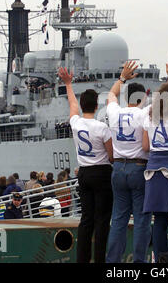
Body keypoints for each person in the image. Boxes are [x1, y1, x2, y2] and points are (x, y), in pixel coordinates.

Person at [58, 67, 114, 263]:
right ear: (97, 105)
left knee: (86, 219)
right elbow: (111, 155)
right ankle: (99, 260)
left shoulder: (76, 123)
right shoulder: (102, 127)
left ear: (83, 106)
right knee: (102, 220)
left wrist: (68, 83)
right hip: (102, 173)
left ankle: (82, 259)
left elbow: (72, 104)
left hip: (84, 173)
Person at [105, 60, 152, 263]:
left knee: (118, 219)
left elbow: (111, 95)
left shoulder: (115, 112)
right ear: (143, 98)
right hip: (139, 168)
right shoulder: (145, 113)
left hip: (118, 168)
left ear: (127, 97)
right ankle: (139, 262)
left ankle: (113, 261)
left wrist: (122, 78)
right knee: (142, 220)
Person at [141, 57, 168, 260]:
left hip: (154, 169)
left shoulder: (150, 116)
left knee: (158, 219)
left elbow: (145, 146)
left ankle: (160, 258)